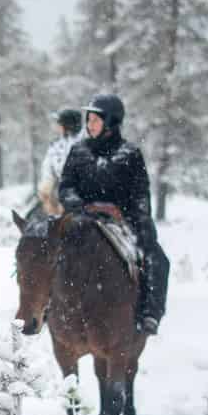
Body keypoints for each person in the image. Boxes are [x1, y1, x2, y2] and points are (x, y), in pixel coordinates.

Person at [58, 94, 170, 335]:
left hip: (121, 221)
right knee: (48, 248)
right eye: (89, 120)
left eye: (95, 120)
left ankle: (149, 313)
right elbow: (65, 187)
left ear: (111, 122)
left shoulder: (130, 154)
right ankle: (46, 307)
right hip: (82, 218)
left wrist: (130, 216)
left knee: (157, 258)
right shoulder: (78, 151)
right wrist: (80, 206)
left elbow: (141, 194)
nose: (89, 125)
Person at [37, 108, 82, 216]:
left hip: (77, 194)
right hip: (56, 193)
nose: (57, 126)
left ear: (68, 126)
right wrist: (45, 187)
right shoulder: (55, 145)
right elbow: (47, 168)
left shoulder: (83, 145)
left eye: (59, 123)